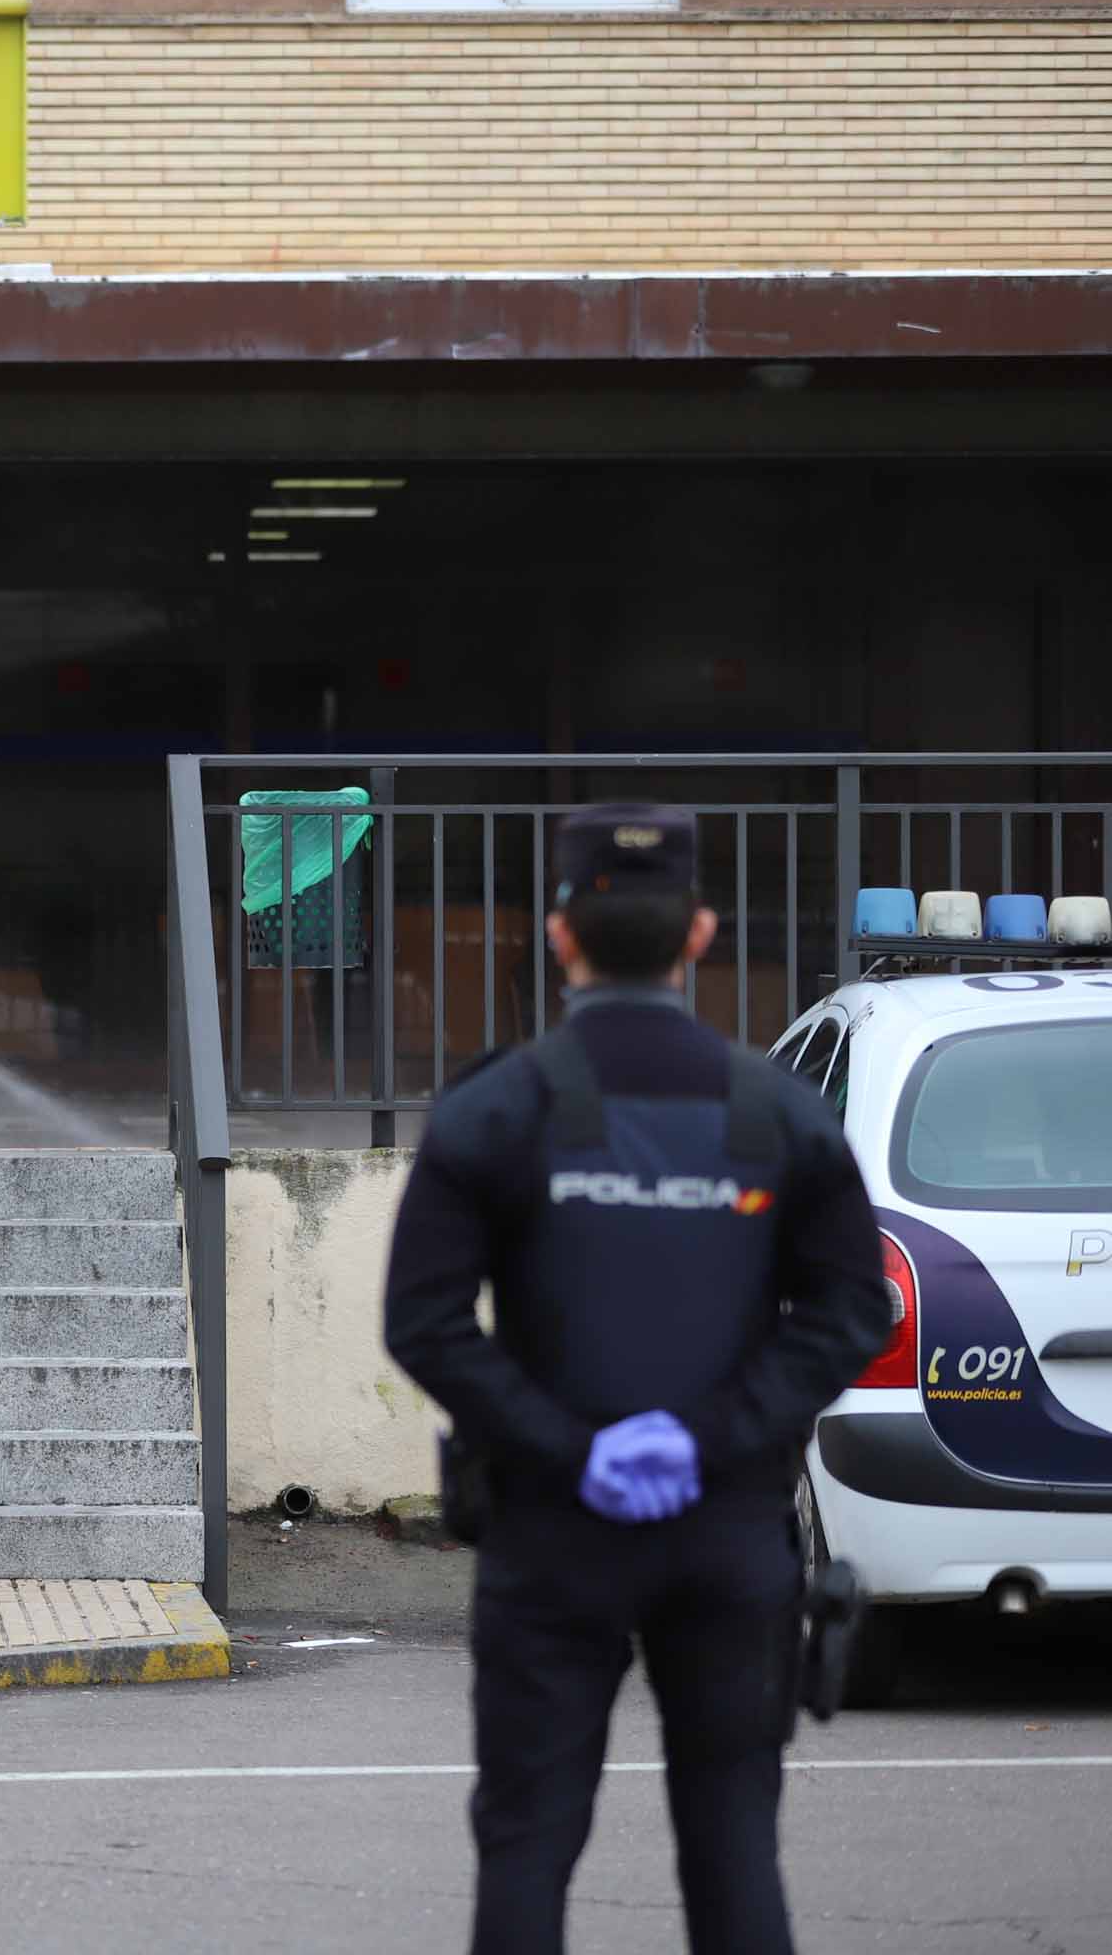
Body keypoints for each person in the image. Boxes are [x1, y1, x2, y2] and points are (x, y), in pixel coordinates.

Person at [381, 805, 892, 1955]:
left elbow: (420, 1320)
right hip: (729, 1537)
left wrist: (575, 1449)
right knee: (730, 1842)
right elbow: (854, 1307)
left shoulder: (495, 1106)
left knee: (527, 1841)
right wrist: (709, 1439)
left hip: (551, 1535)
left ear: (561, 933)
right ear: (701, 932)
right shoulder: (780, 1111)